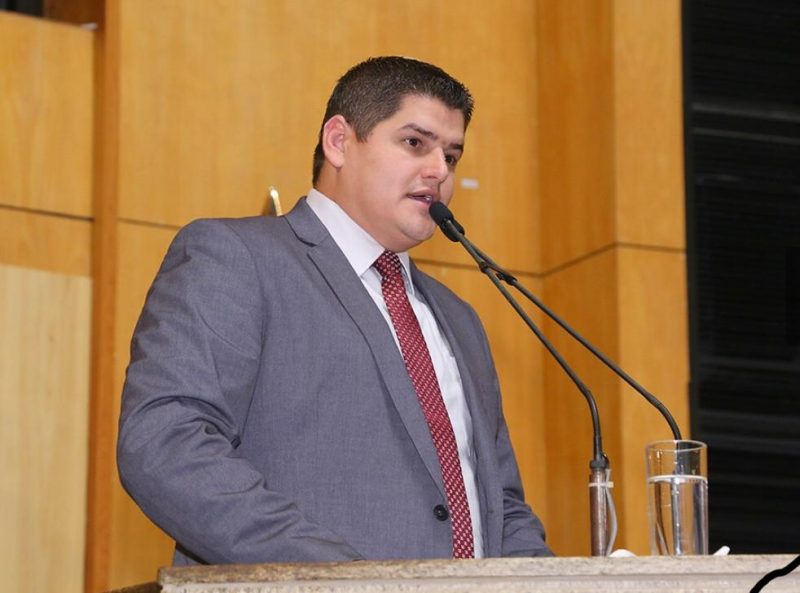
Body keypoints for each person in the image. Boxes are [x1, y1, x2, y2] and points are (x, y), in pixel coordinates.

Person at [117, 56, 551, 566]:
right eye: (416, 143)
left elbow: (502, 507)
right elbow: (167, 444)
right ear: (339, 141)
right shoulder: (238, 258)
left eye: (452, 156)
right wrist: (340, 578)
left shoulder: (460, 319)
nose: (440, 171)